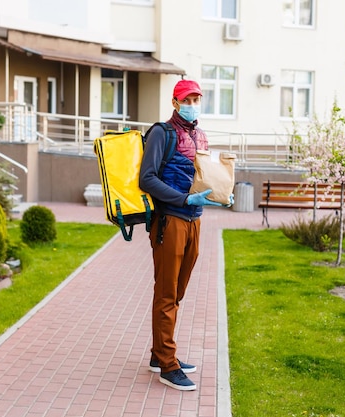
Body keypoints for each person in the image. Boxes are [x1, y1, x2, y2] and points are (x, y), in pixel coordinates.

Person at [139, 79, 230, 391]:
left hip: (194, 220)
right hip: (170, 220)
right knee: (166, 293)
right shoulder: (161, 133)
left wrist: (221, 193)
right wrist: (183, 200)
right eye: (187, 99)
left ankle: (158, 353)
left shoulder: (199, 134)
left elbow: (202, 175)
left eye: (197, 98)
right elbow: (147, 178)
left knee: (177, 292)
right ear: (175, 102)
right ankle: (168, 364)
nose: (193, 104)